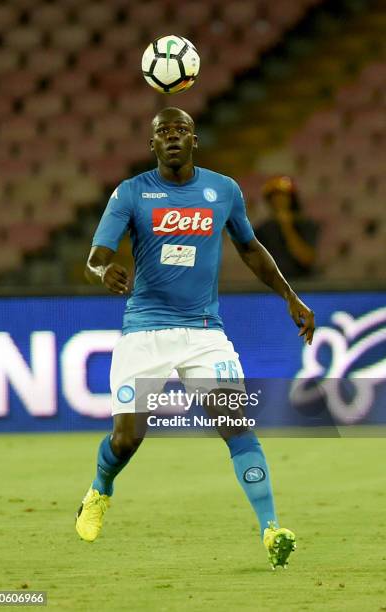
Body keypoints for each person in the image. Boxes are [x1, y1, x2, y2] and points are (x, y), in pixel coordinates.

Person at [75, 107, 315, 569]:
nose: (171, 137)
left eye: (180, 130)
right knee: (126, 440)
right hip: (145, 328)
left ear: (194, 140)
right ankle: (101, 489)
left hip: (204, 333)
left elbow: (250, 248)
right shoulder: (131, 193)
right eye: (162, 131)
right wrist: (104, 269)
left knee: (235, 423)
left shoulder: (223, 190)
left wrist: (290, 296)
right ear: (152, 145)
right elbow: (97, 254)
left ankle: (271, 529)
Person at [256, 176, 319, 279]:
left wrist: (286, 227)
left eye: (283, 196)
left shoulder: (306, 225)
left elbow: (306, 259)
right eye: (274, 197)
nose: (278, 201)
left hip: (303, 285)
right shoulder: (263, 229)